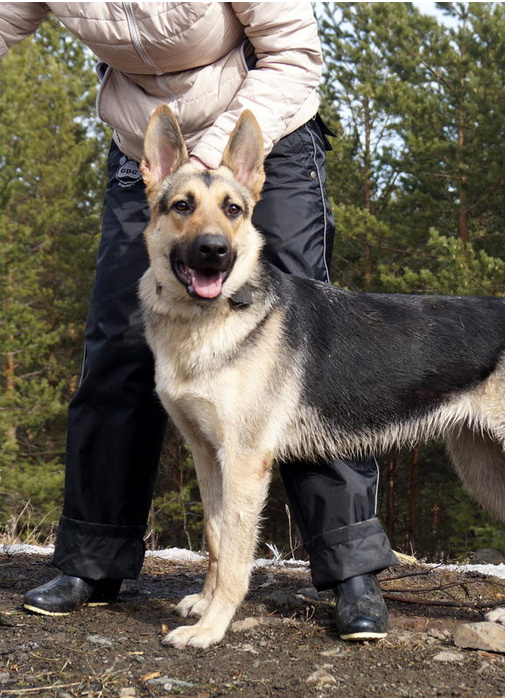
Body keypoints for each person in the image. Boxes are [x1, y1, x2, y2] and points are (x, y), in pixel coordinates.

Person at [0, 2, 397, 641]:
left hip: (259, 133)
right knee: (118, 342)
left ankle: (349, 562)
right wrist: (174, 181)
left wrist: (213, 178)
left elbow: (294, 54)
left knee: (307, 348)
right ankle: (93, 558)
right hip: (151, 155)